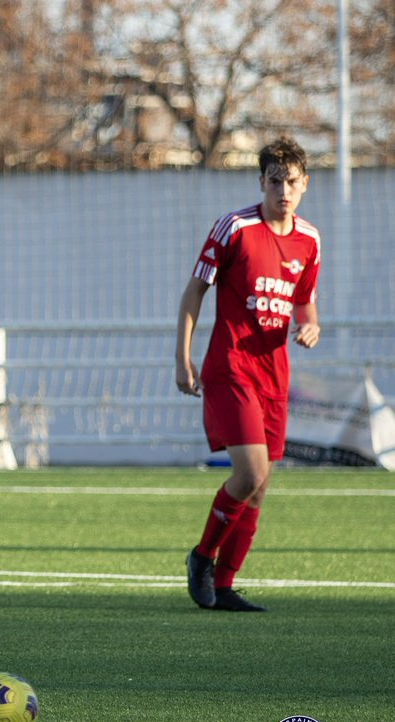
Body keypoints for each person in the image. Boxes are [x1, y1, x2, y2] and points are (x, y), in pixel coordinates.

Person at [176, 135, 321, 612]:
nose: (283, 190)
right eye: (275, 181)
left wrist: (309, 324)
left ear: (304, 185)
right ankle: (201, 557)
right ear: (261, 182)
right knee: (249, 472)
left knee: (261, 487)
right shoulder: (235, 228)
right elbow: (195, 291)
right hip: (231, 366)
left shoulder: (310, 239)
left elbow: (304, 298)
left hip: (274, 374)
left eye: (292, 182)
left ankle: (225, 584)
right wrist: (183, 357)